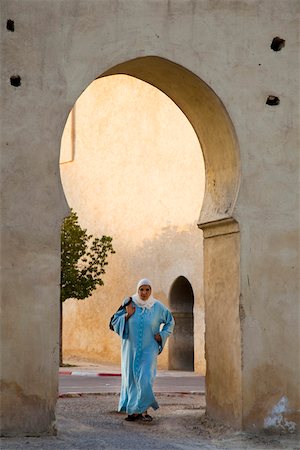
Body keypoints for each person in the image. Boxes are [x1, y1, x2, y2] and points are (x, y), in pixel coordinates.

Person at [110, 278, 175, 422]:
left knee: (145, 378)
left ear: (151, 291)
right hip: (130, 349)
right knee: (132, 378)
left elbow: (170, 321)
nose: (144, 293)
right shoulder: (129, 303)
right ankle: (134, 411)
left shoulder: (157, 307)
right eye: (141, 289)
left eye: (147, 289)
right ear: (137, 290)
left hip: (149, 349)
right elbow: (113, 322)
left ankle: (143, 409)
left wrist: (162, 335)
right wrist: (127, 315)